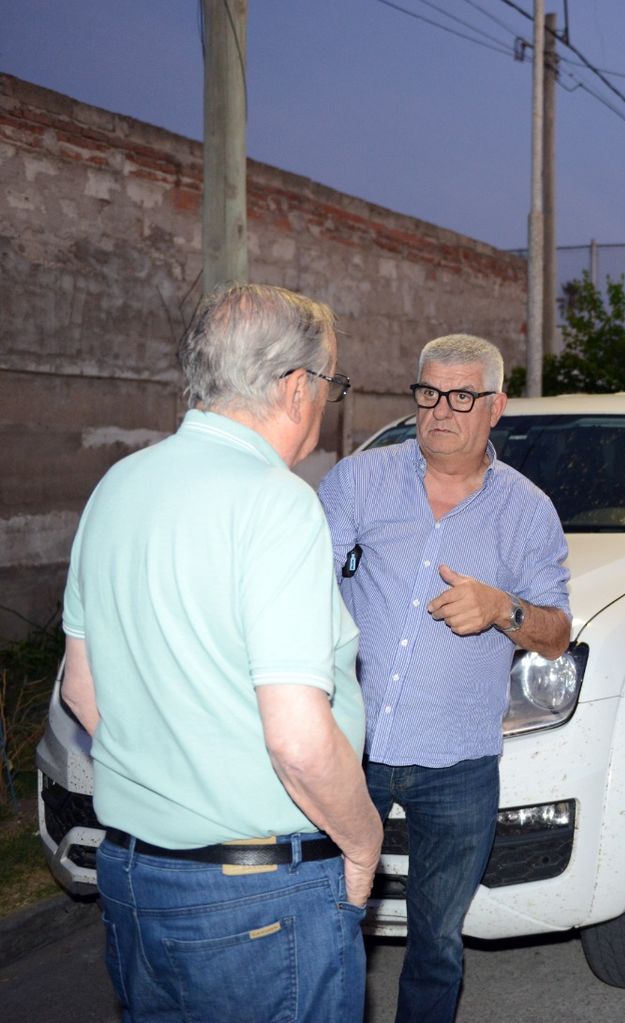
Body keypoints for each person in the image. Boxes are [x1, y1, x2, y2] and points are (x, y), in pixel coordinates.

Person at [60, 283, 384, 1022]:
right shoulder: (278, 501)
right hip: (258, 898)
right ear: (296, 386)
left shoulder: (116, 487)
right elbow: (300, 741)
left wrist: (174, 768)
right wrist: (363, 843)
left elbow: (81, 688)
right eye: (330, 384)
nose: (326, 402)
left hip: (137, 881)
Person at [318, 333, 571, 1022]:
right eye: (428, 392)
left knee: (435, 940)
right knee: (326, 920)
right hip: (350, 745)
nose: (440, 410)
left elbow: (556, 632)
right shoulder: (357, 480)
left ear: (496, 406)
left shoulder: (527, 511)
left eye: (461, 396)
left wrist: (500, 607)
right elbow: (302, 581)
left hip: (458, 763)